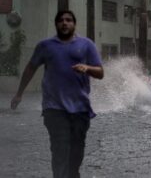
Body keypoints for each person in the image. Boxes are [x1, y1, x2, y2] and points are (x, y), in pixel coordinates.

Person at [10, 10, 104, 178]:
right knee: (60, 150)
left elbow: (100, 72)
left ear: (74, 24)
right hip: (54, 108)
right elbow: (31, 68)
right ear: (56, 24)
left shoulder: (86, 44)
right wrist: (19, 94)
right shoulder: (45, 46)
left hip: (80, 109)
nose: (64, 23)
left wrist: (87, 68)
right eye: (61, 20)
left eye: (68, 20)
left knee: (76, 154)